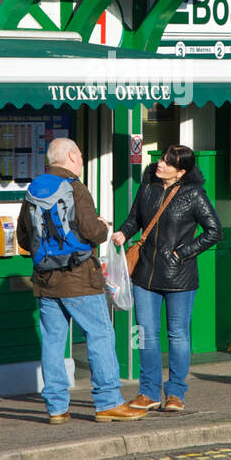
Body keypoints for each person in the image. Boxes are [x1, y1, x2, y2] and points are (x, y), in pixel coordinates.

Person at [17, 137, 146, 424]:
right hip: (78, 278)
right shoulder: (75, 188)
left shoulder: (34, 189)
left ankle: (56, 408)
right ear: (73, 155)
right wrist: (102, 226)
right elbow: (93, 232)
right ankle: (108, 402)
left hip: (45, 279)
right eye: (81, 155)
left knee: (52, 343)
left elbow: (24, 238)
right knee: (100, 335)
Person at [112, 145, 223, 413]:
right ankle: (148, 392)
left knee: (178, 335)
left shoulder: (193, 194)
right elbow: (134, 219)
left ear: (181, 171)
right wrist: (123, 234)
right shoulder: (148, 187)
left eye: (167, 163)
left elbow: (214, 231)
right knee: (147, 335)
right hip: (145, 275)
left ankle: (175, 393)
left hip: (179, 276)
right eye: (161, 159)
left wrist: (182, 253)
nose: (159, 164)